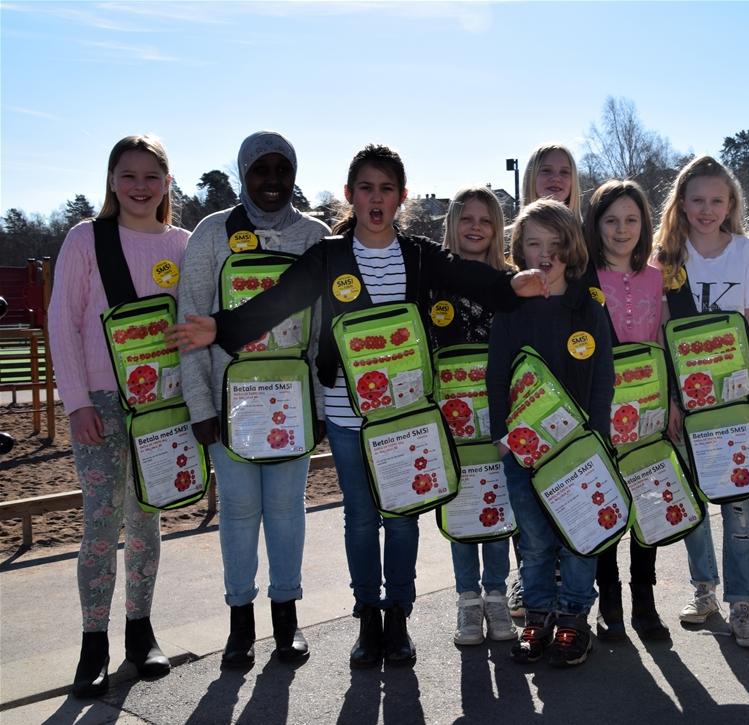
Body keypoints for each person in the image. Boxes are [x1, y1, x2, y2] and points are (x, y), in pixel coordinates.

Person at [170, 144, 548, 669]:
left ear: (402, 197)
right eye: (366, 188)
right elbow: (281, 298)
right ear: (350, 194)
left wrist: (514, 285)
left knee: (401, 519)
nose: (376, 198)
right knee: (360, 518)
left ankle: (399, 620)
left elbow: (470, 277)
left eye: (386, 189)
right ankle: (367, 620)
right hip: (347, 416)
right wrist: (223, 326)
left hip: (406, 418)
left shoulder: (417, 254)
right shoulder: (328, 255)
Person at [178, 131, 328, 667]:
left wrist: (318, 403)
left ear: (294, 173)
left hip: (290, 404)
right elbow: (191, 321)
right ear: (243, 174)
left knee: (287, 511)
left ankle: (286, 617)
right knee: (239, 512)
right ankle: (240, 621)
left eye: (281, 170)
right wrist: (201, 407)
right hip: (227, 406)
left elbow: (321, 334)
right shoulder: (212, 234)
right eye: (259, 171)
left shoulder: (315, 236)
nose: (271, 181)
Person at [48, 135, 186, 697]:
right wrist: (77, 401)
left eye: (151, 176)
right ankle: (92, 643)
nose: (139, 186)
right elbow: (64, 320)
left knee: (147, 521)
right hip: (101, 405)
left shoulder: (182, 245)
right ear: (111, 180)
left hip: (161, 405)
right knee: (102, 525)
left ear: (167, 183)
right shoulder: (86, 239)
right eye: (128, 175)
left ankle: (140, 631)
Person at [487, 198, 614, 667]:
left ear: (571, 250)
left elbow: (603, 378)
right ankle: (537, 617)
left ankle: (574, 618)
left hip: (580, 452)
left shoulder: (588, 308)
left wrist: (598, 439)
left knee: (579, 536)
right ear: (519, 249)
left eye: (555, 245)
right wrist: (503, 435)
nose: (545, 255)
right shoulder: (512, 309)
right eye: (534, 244)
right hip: (523, 455)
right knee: (536, 540)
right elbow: (496, 374)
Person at [655, 155, 749, 648]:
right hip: (685, 399)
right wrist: (669, 400)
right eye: (697, 200)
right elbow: (660, 333)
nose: (706, 210)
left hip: (734, 401)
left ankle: (742, 602)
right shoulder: (666, 256)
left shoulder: (745, 253)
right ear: (682, 203)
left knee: (739, 504)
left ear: (731, 206)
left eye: (716, 201)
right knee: (695, 499)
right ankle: (704, 588)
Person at [583, 179, 670, 642]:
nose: (621, 230)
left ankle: (645, 598)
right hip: (601, 410)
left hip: (648, 412)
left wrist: (670, 403)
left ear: (644, 225)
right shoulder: (585, 278)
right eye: (611, 220)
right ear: (595, 226)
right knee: (607, 503)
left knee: (647, 502)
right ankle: (610, 598)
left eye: (631, 220)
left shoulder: (656, 277)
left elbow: (660, 341)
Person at [430, 187, 516, 645]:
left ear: (497, 227)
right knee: (462, 507)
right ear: (452, 224)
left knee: (497, 505)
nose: (476, 227)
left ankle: (497, 595)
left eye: (486, 219)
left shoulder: (511, 281)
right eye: (467, 219)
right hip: (452, 419)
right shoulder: (434, 281)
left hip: (499, 417)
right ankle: (467, 600)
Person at [506, 141, 584, 618]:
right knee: (529, 503)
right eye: (545, 171)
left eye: (564, 171)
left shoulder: (584, 243)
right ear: (531, 178)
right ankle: (530, 581)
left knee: (575, 491)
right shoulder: (517, 244)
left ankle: (574, 594)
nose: (555, 179)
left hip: (576, 389)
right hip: (528, 399)